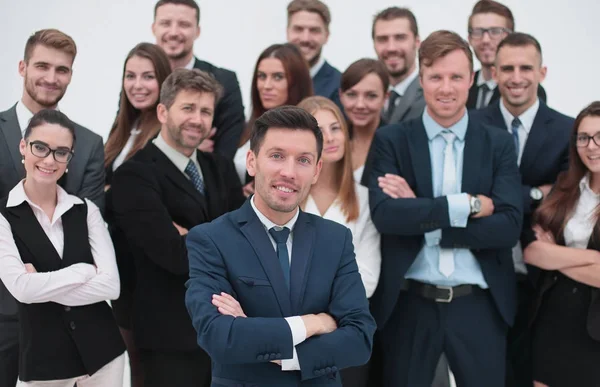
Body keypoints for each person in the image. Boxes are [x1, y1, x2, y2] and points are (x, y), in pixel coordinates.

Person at [362, 30, 522, 387]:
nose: (446, 88)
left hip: (478, 304)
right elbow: (387, 216)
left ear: (472, 79)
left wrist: (423, 217)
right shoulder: (393, 140)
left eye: (455, 77)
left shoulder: (497, 142)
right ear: (421, 80)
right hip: (409, 303)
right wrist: (465, 206)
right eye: (435, 77)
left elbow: (508, 226)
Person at [185, 105, 376, 386]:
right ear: (251, 161)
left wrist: (280, 351)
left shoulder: (336, 239)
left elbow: (360, 338)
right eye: (277, 156)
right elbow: (219, 336)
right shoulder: (211, 239)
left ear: (316, 170)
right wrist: (314, 323)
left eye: (303, 160)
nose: (289, 172)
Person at [109, 68, 245, 387]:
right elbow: (174, 256)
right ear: (163, 111)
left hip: (227, 331)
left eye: (206, 111)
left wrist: (192, 235)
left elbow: (249, 243)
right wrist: (222, 236)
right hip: (169, 338)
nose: (197, 119)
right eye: (188, 108)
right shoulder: (133, 175)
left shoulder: (221, 168)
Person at [0, 28, 105, 387]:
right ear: (22, 67)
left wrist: (41, 279)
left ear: (71, 75)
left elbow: (90, 233)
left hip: (68, 321)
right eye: (42, 66)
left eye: (61, 70)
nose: (50, 77)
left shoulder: (89, 144)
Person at [473, 32, 573, 387]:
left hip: (543, 277)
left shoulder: (568, 130)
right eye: (508, 68)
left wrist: (499, 196)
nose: (517, 77)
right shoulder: (471, 125)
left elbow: (564, 194)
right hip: (480, 272)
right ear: (494, 73)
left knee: (535, 373)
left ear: (542, 72)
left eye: (526, 68)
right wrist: (535, 192)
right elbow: (470, 194)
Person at [0, 109, 125, 386]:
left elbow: (111, 286)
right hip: (44, 363)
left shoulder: (86, 210)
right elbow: (22, 290)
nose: (49, 159)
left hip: (105, 355)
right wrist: (82, 271)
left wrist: (41, 285)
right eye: (40, 147)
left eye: (61, 152)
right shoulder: (3, 218)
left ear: (69, 158)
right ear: (24, 147)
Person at [298, 96, 381, 387]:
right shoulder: (286, 195)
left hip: (346, 332)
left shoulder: (365, 198)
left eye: (336, 128)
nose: (331, 138)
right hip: (293, 330)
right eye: (320, 130)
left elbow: (368, 278)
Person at [103, 42, 172, 387]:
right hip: (115, 261)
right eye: (131, 76)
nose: (138, 84)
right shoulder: (121, 132)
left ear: (163, 82)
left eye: (148, 76)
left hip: (142, 269)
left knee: (144, 366)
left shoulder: (162, 137)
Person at [524, 101, 600, 387]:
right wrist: (591, 258)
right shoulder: (565, 186)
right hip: (553, 317)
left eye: (599, 136)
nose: (591, 146)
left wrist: (556, 257)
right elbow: (532, 252)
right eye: (583, 137)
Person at [152, 0, 245, 159]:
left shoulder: (224, 81)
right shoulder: (140, 81)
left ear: (197, 31)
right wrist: (184, 146)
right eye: (165, 23)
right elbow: (124, 137)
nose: (174, 32)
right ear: (154, 28)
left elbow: (225, 155)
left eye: (184, 24)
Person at [233, 43, 313, 195]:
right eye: (262, 76)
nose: (266, 85)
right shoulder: (248, 127)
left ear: (296, 82)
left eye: (278, 77)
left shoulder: (309, 133)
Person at [466, 0, 546, 109]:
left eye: (495, 32)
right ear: (469, 38)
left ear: (510, 37)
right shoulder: (464, 84)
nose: (485, 40)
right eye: (477, 32)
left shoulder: (527, 90)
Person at [372, 7, 425, 124]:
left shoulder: (431, 95)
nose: (391, 48)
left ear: (417, 42)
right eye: (382, 39)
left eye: (400, 38)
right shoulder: (365, 96)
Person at [339, 58, 388, 182]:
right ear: (341, 95)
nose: (360, 105)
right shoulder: (331, 139)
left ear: (385, 98)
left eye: (371, 96)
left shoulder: (397, 145)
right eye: (352, 95)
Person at [286, 0, 342, 109]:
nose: (305, 39)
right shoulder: (271, 80)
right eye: (298, 29)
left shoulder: (339, 86)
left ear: (327, 36)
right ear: (287, 32)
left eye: (314, 30)